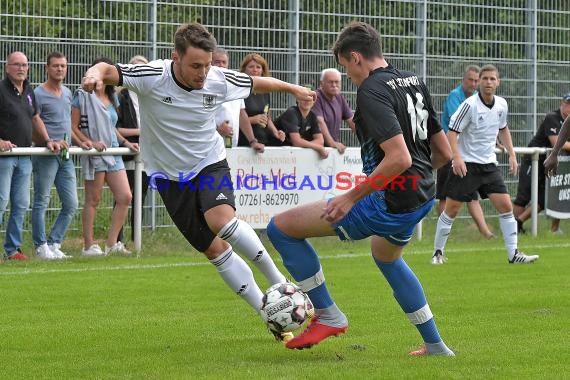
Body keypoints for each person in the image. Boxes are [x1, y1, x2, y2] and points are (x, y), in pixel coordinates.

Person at [80, 23, 315, 342]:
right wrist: (94, 73)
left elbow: (258, 83)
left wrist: (294, 90)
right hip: (167, 175)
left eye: (206, 64)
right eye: (195, 66)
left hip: (208, 163)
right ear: (175, 58)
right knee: (215, 250)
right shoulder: (153, 76)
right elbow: (108, 69)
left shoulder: (218, 79)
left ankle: (280, 282)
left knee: (220, 219)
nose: (203, 72)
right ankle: (268, 314)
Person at [267, 21, 455, 356]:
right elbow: (443, 153)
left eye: (346, 70)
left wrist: (350, 197)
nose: (349, 79)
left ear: (355, 58)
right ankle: (435, 345)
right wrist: (416, 183)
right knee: (387, 257)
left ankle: (328, 315)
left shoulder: (371, 90)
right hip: (422, 196)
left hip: (388, 203)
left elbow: (398, 159)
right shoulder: (413, 82)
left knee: (280, 229)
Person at [432, 64, 539, 265]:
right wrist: (457, 158)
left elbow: (503, 129)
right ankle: (438, 252)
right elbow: (452, 132)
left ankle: (513, 254)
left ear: (498, 82)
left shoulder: (501, 105)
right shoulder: (469, 105)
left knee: (506, 206)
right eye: (485, 79)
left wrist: (512, 154)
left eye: (492, 79)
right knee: (452, 209)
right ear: (479, 82)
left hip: (489, 165)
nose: (488, 82)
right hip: (467, 165)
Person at [71, 57, 138, 257]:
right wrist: (88, 142)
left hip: (113, 152)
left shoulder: (112, 96)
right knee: (94, 199)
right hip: (95, 153)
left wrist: (126, 143)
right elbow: (73, 126)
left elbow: (112, 127)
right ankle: (89, 246)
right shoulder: (82, 95)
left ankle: (111, 243)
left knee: (125, 197)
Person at [0, 51, 60, 261]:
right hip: (4, 157)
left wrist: (47, 140)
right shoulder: (0, 89)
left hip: (25, 155)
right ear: (7, 67)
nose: (21, 68)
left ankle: (12, 250)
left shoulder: (28, 91)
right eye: (16, 64)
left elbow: (35, 118)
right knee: (1, 202)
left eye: (24, 65)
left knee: (21, 204)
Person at [437, 65, 495, 241]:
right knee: (445, 196)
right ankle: (443, 235)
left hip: (467, 155)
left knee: (472, 196)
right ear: (464, 79)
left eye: (477, 80)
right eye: (471, 80)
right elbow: (459, 124)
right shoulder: (456, 96)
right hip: (450, 151)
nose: (474, 83)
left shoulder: (479, 100)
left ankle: (486, 233)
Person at [32, 51, 78, 260]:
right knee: (42, 200)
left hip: (66, 156)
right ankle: (41, 246)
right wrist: (48, 141)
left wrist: (80, 140)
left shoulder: (68, 93)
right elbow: (33, 123)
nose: (60, 69)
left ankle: (54, 243)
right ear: (47, 68)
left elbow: (69, 123)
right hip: (46, 155)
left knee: (71, 203)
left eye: (63, 66)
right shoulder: (38, 94)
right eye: (55, 66)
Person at [513, 93, 570, 234]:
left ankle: (518, 223)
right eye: (567, 103)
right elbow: (557, 142)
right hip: (534, 160)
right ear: (561, 104)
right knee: (523, 197)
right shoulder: (552, 117)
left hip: (555, 163)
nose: (569, 107)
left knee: (546, 197)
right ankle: (511, 228)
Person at [115, 54, 150, 243]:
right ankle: (117, 240)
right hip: (127, 153)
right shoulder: (121, 97)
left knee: (140, 198)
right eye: (135, 68)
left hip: (146, 155)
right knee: (123, 197)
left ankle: (137, 240)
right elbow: (116, 128)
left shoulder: (151, 98)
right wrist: (139, 131)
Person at [212, 48, 264, 152]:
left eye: (224, 62)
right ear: (210, 63)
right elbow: (198, 116)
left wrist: (253, 141)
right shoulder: (203, 85)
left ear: (228, 64)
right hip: (209, 146)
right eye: (217, 62)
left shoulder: (236, 84)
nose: (221, 65)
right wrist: (217, 129)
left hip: (232, 146)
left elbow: (241, 114)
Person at [237, 53, 285, 147]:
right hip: (243, 142)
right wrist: (252, 120)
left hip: (263, 140)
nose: (255, 70)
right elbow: (234, 118)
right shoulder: (240, 90)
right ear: (244, 70)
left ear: (263, 71)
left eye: (258, 67)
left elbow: (267, 117)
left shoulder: (265, 91)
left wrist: (276, 132)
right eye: (251, 67)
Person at [274, 84, 328, 158]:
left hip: (289, 155)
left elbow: (320, 141)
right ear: (297, 99)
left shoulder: (313, 116)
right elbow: (296, 142)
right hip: (274, 151)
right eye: (304, 96)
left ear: (314, 101)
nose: (307, 99)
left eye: (310, 97)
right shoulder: (291, 113)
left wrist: (305, 144)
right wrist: (318, 148)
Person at [312, 68, 356, 154]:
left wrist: (368, 140)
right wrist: (331, 143)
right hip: (315, 150)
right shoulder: (316, 97)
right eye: (330, 82)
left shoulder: (339, 97)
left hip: (332, 149)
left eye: (337, 82)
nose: (334, 85)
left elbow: (352, 121)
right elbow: (319, 121)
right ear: (321, 84)